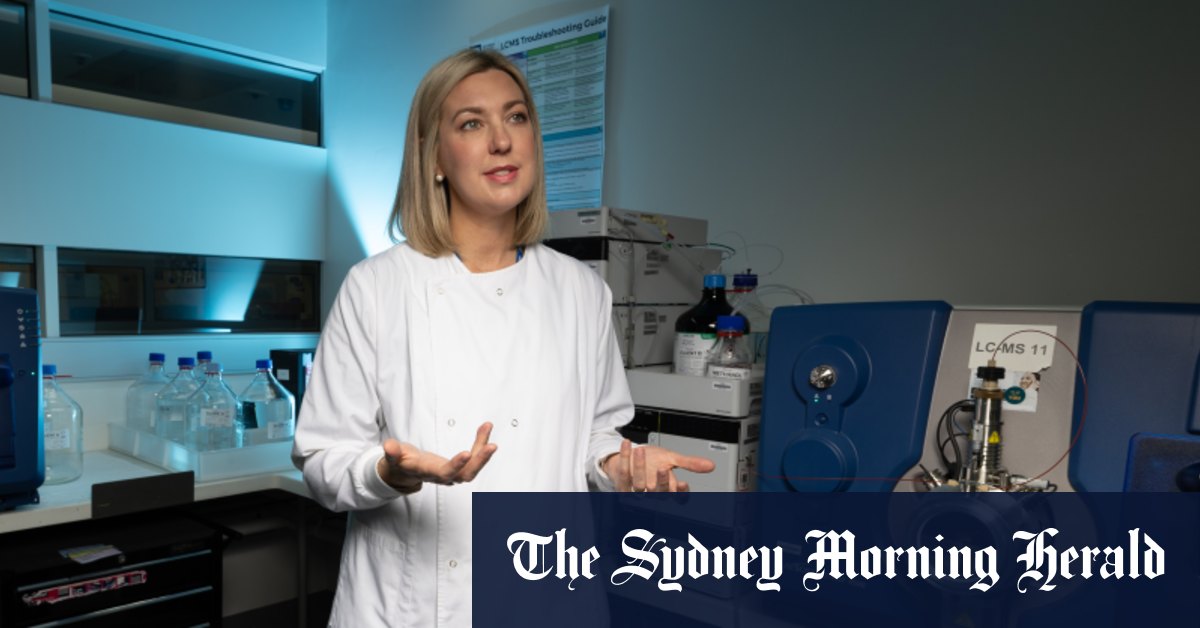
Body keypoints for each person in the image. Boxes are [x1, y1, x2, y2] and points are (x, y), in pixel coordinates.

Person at [292, 48, 714, 627]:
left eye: (516, 117)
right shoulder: (377, 286)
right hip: (413, 606)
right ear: (434, 158)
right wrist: (387, 474)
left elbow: (595, 433)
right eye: (471, 123)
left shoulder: (580, 291)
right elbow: (322, 458)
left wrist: (619, 463)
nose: (501, 140)